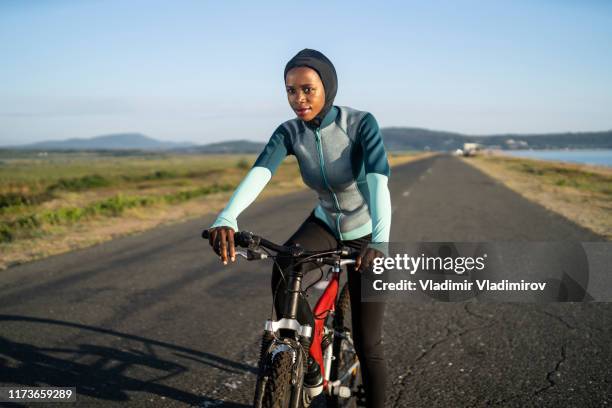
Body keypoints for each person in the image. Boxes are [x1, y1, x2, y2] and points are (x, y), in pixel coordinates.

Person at [206, 48, 390, 408]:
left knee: (370, 343)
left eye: (308, 89)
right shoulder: (290, 132)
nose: (298, 99)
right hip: (324, 222)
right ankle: (310, 364)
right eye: (290, 90)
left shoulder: (360, 124)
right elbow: (260, 172)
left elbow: (380, 181)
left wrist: (380, 240)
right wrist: (227, 216)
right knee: (283, 266)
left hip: (366, 233)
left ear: (328, 87)